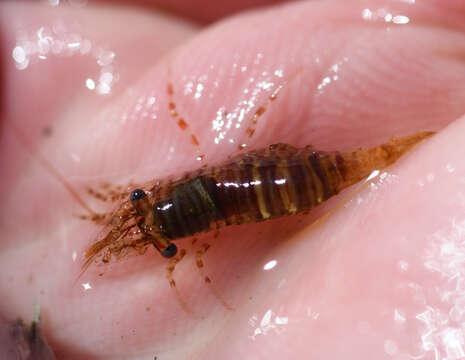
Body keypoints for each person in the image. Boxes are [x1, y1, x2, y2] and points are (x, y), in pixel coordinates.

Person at [1, 0, 465, 359]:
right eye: (163, 243)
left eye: (140, 199)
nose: (144, 216)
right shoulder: (193, 186)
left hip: (277, 193)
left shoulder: (197, 243)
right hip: (274, 180)